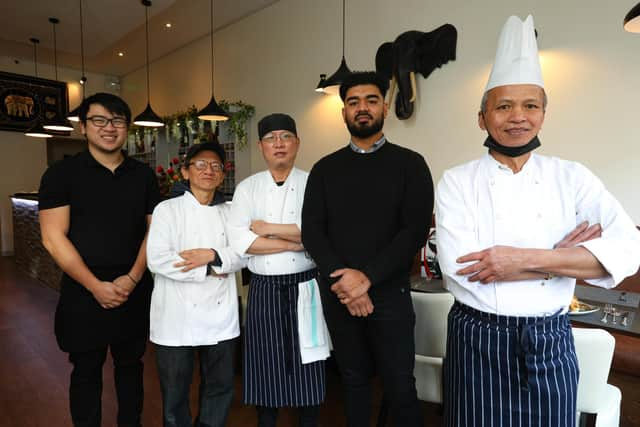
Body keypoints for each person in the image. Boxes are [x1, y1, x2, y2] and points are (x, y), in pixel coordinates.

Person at [435, 15, 640, 427]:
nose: (518, 117)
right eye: (504, 106)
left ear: (544, 114)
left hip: (552, 339)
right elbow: (462, 271)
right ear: (482, 117)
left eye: (531, 105)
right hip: (477, 338)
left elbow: (628, 253)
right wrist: (564, 259)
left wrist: (516, 260)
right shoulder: (456, 181)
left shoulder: (574, 177)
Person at [302, 71, 434, 427]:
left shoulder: (410, 164)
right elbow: (313, 232)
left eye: (371, 100)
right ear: (343, 112)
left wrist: (367, 278)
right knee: (353, 381)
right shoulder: (324, 169)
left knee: (400, 385)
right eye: (353, 102)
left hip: (390, 294)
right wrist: (347, 284)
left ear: (385, 108)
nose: (362, 108)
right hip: (339, 295)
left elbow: (414, 231)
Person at [39, 92, 160, 427]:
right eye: (99, 120)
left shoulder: (144, 176)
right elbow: (52, 237)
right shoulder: (61, 174)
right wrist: (95, 286)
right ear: (83, 127)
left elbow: (156, 231)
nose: (109, 128)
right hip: (83, 291)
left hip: (133, 288)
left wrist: (133, 278)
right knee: (86, 371)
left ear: (127, 127)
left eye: (118, 120)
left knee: (131, 368)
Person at [227, 113, 327, 427]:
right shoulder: (247, 188)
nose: (279, 144)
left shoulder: (314, 182)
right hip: (264, 286)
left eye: (286, 136)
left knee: (308, 361)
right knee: (264, 362)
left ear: (297, 142)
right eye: (271, 138)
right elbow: (241, 240)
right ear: (261, 146)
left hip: (306, 285)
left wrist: (268, 229)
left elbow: (321, 233)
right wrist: (297, 241)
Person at [146, 142, 245, 427]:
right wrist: (212, 268)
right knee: (175, 393)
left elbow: (244, 254)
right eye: (200, 164)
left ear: (222, 174)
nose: (209, 170)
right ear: (186, 172)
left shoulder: (232, 211)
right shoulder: (167, 209)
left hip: (220, 316)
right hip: (176, 317)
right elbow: (158, 259)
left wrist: (211, 256)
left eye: (215, 166)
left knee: (220, 387)